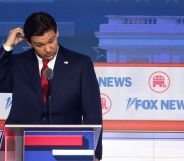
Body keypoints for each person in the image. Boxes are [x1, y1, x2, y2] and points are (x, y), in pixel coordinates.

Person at [0, 12, 102, 160]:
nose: (48, 49)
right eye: (40, 45)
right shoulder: (18, 63)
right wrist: (7, 47)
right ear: (29, 42)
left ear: (57, 32)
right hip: (20, 144)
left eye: (51, 40)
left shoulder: (80, 64)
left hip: (67, 145)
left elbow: (92, 111)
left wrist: (95, 152)